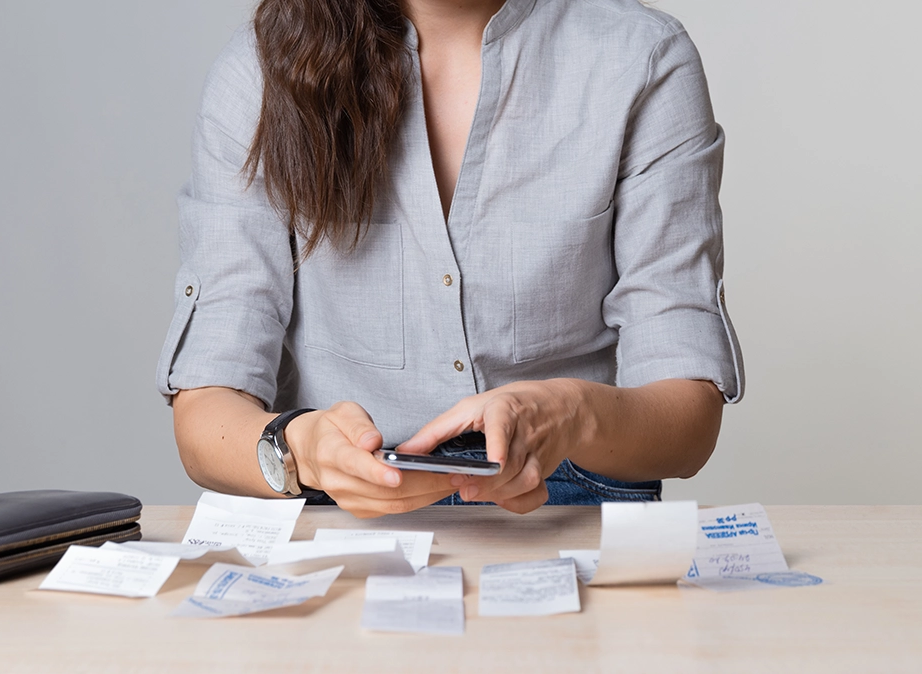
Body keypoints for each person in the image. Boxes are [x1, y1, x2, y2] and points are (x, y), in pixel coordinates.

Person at [157, 0, 744, 518]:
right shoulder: (259, 73)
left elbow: (687, 419)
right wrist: (298, 450)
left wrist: (570, 413)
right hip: (335, 513)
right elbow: (205, 412)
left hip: (573, 507)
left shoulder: (640, 58)